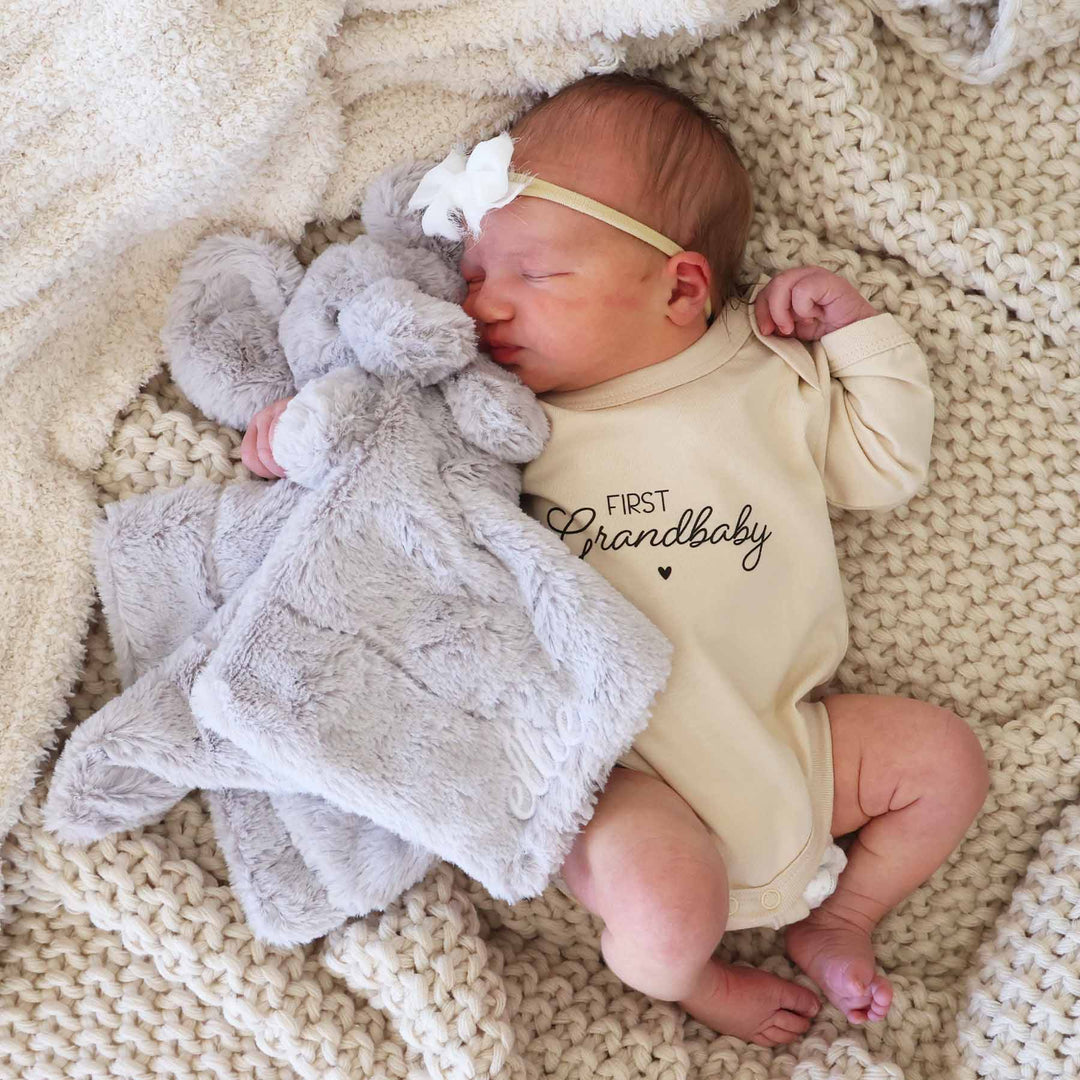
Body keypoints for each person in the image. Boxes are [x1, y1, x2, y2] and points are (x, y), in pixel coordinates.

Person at [243, 73, 988, 1048]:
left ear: (679, 288)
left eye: (538, 276)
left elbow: (885, 467)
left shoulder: (767, 376)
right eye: (474, 276)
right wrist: (297, 441)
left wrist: (853, 332)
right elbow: (391, 497)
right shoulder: (498, 421)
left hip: (796, 740)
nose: (488, 304)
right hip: (627, 774)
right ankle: (692, 980)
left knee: (945, 761)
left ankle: (844, 917)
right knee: (668, 903)